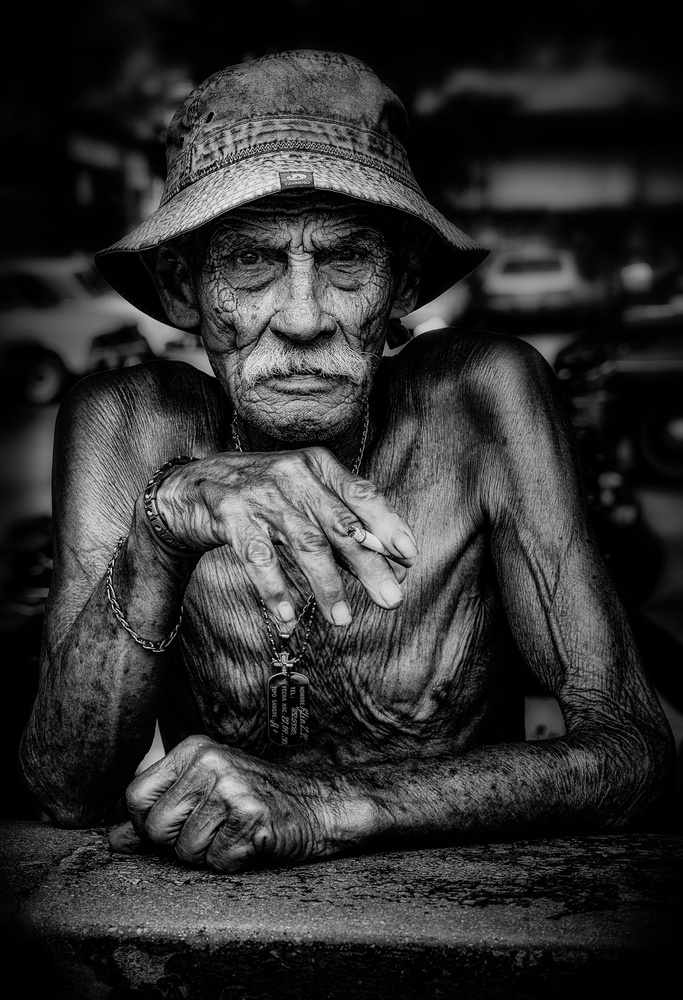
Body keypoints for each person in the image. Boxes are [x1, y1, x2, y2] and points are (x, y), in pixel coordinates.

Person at [19, 49, 675, 873]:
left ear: (401, 284)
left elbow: (630, 753)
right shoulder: (128, 424)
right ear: (183, 288)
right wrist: (161, 528)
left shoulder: (481, 401)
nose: (303, 317)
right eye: (250, 261)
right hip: (222, 920)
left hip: (462, 904)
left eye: (345, 260)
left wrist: (329, 805)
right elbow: (67, 788)